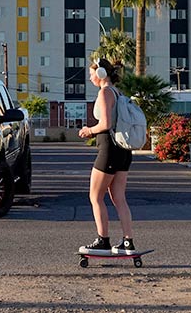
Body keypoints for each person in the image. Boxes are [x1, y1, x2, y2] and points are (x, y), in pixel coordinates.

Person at [78, 58, 135, 255]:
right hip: (123, 151)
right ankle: (128, 242)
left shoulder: (105, 93)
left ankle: (103, 240)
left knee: (95, 196)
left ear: (101, 74)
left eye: (91, 73)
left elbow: (106, 124)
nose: (90, 77)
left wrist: (89, 131)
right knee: (119, 198)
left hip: (109, 151)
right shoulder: (118, 93)